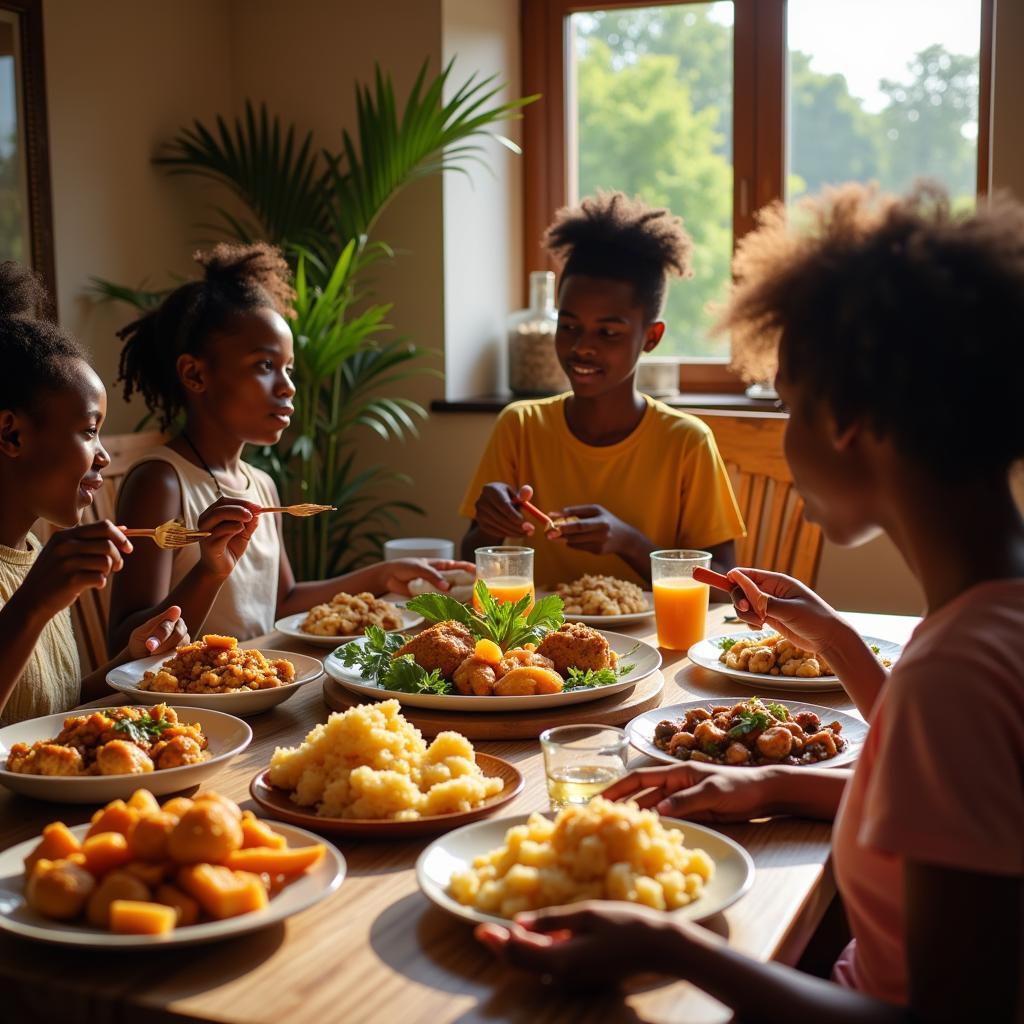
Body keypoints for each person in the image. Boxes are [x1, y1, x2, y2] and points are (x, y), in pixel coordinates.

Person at [476, 183, 1024, 1022]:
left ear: (845, 419)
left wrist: (671, 944)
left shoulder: (953, 672)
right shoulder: (982, 625)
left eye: (787, 407)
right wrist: (792, 740)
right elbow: (953, 813)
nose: (784, 438)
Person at [108, 243, 471, 650]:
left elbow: (282, 603)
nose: (288, 386)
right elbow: (124, 642)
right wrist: (208, 571)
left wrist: (382, 575)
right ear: (194, 374)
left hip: (260, 684)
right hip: (189, 701)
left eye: (288, 368)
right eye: (265, 366)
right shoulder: (163, 481)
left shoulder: (259, 483)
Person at [459, 191, 743, 586]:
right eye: (569, 326)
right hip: (539, 643)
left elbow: (725, 583)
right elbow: (469, 556)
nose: (582, 347)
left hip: (653, 644)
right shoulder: (520, 426)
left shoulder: (686, 442)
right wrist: (490, 525)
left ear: (651, 337)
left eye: (608, 332)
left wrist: (629, 543)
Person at [0, 263, 191, 725]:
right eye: (89, 431)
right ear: (11, 434)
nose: (103, 456)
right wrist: (32, 604)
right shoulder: (39, 582)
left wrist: (130, 660)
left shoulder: (36, 554)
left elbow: (54, 710)